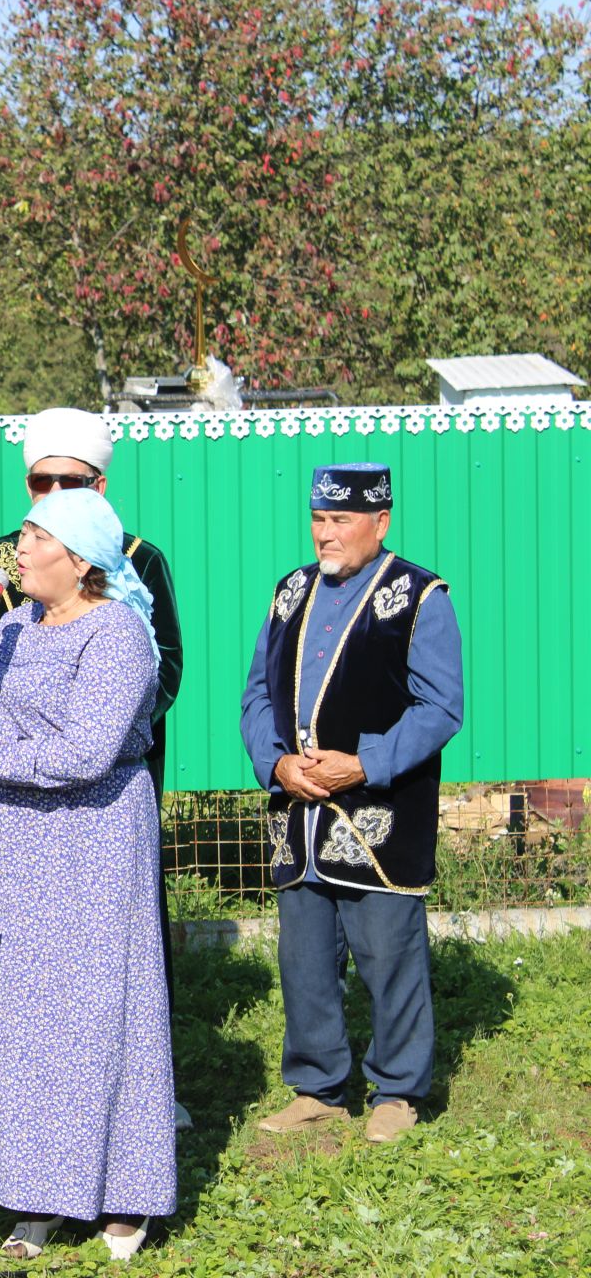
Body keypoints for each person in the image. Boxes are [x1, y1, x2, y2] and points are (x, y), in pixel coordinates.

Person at [0, 487, 175, 1262]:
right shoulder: (13, 626)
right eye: (21, 538)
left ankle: (124, 1194)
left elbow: (84, 754)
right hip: (12, 842)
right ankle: (37, 1188)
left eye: (33, 538)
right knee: (23, 1017)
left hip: (92, 843)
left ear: (81, 560)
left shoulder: (119, 635)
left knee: (97, 1015)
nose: (17, 550)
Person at [0, 405, 189, 1130]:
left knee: (109, 958)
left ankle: (126, 1105)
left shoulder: (134, 559)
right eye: (39, 484)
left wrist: (115, 719)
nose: (50, 495)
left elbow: (163, 660)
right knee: (27, 969)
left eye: (68, 482)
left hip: (105, 769)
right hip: (13, 778)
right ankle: (31, 1120)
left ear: (98, 485)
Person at [240, 463, 462, 1146]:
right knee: (303, 957)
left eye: (340, 521)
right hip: (297, 810)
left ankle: (396, 1091)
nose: (326, 534)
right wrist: (275, 762)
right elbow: (255, 695)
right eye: (318, 520)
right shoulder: (291, 591)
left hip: (377, 815)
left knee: (388, 953)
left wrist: (365, 762)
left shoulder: (419, 596)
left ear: (380, 522)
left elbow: (440, 708)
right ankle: (319, 1087)